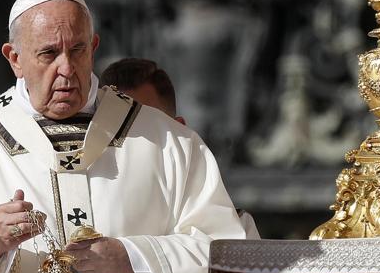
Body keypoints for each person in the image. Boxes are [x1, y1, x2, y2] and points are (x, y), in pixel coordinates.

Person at [0, 0, 247, 273]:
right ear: (15, 58)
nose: (66, 68)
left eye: (77, 50)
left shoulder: (168, 142)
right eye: (49, 54)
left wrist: (133, 259)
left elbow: (228, 260)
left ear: (94, 47)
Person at [101, 58, 261, 240]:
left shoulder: (234, 233)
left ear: (180, 132)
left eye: (148, 127)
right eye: (117, 130)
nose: (129, 144)